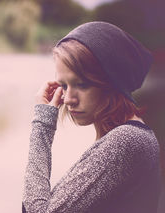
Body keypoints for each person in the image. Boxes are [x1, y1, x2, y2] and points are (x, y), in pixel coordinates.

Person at [22, 21, 161, 213]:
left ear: (112, 82)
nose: (68, 99)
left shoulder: (127, 140)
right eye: (63, 86)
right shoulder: (126, 136)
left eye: (82, 85)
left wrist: (42, 125)